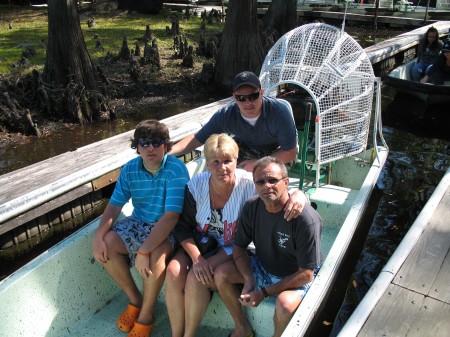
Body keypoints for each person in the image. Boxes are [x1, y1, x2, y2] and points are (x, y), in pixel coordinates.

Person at [165, 134, 307, 337]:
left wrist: (300, 194)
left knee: (195, 278)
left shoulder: (250, 184)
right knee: (172, 271)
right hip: (201, 242)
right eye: (215, 162)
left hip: (236, 246)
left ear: (236, 160)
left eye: (227, 161)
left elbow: (285, 192)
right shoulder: (196, 186)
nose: (221, 168)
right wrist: (197, 258)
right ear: (206, 163)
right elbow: (183, 227)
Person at [92, 119, 190, 337]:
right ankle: (135, 300)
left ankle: (146, 316)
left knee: (155, 255)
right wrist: (98, 236)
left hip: (171, 227)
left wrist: (143, 250)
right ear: (137, 147)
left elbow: (172, 217)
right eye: (144, 143)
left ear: (166, 145)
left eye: (157, 142)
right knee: (107, 244)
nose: (150, 148)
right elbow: (113, 207)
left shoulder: (176, 169)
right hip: (139, 222)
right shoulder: (129, 170)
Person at [214, 156, 322, 337]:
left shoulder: (305, 219)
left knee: (284, 306)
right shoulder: (252, 207)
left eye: (273, 180)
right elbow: (239, 248)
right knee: (221, 274)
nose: (267, 186)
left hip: (295, 276)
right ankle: (242, 328)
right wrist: (249, 279)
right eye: (261, 181)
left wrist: (263, 293)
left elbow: (306, 274)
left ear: (286, 182)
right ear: (255, 185)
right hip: (264, 267)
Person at [168, 71, 298, 172]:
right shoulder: (226, 115)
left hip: (278, 152)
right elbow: (197, 139)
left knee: (265, 176)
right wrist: (166, 153)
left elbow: (290, 152)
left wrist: (258, 164)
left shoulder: (279, 112)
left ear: (262, 93)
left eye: (253, 96)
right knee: (221, 169)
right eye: (241, 98)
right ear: (234, 98)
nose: (248, 102)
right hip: (247, 148)